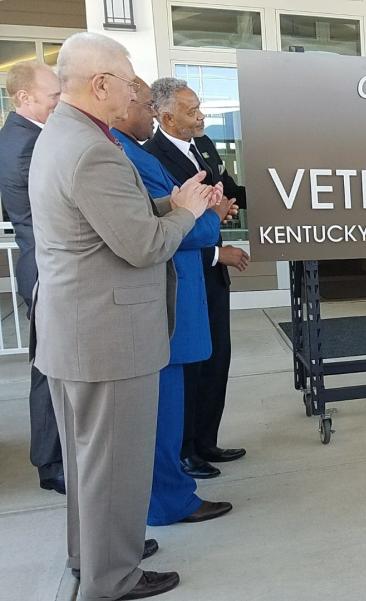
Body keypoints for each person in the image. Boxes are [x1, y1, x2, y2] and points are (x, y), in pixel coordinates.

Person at [29, 32, 215, 600]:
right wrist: (184, 214)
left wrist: (170, 202)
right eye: (130, 81)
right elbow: (140, 244)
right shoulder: (91, 149)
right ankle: (113, 578)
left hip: (80, 332)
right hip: (108, 336)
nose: (135, 91)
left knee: (92, 469)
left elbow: (111, 217)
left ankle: (95, 558)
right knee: (114, 467)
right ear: (100, 83)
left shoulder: (67, 135)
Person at [112, 77, 235, 525]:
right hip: (164, 292)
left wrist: (203, 209)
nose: (145, 111)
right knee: (163, 409)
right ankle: (169, 496)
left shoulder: (135, 151)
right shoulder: (124, 155)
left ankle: (175, 486)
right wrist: (202, 215)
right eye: (143, 103)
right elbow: (165, 230)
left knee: (181, 392)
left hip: (176, 290)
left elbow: (173, 210)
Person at [145, 77, 248, 479]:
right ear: (167, 117)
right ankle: (186, 450)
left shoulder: (203, 147)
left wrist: (226, 209)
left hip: (212, 278)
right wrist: (217, 248)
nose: (201, 115)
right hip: (188, 277)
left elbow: (219, 199)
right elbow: (172, 227)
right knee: (191, 369)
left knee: (218, 359)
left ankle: (206, 441)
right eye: (192, 111)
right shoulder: (152, 159)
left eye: (199, 106)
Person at [0, 60, 64, 494]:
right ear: (24, 97)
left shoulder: (27, 136)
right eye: (53, 96)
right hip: (47, 269)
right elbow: (41, 218)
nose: (59, 102)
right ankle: (51, 463)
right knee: (49, 370)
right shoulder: (24, 144)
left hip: (43, 266)